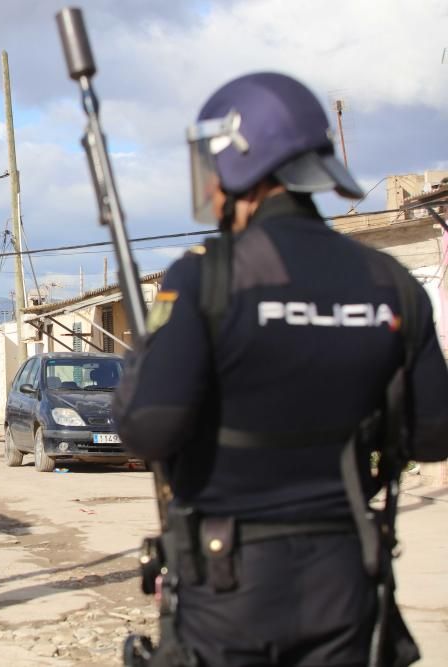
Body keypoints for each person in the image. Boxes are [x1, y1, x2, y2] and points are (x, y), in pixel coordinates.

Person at [112, 72, 448, 667]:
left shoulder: (208, 276)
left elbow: (148, 430)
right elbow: (432, 435)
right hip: (347, 582)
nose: (211, 188)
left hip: (229, 591)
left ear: (244, 162)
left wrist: (145, 360)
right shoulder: (390, 283)